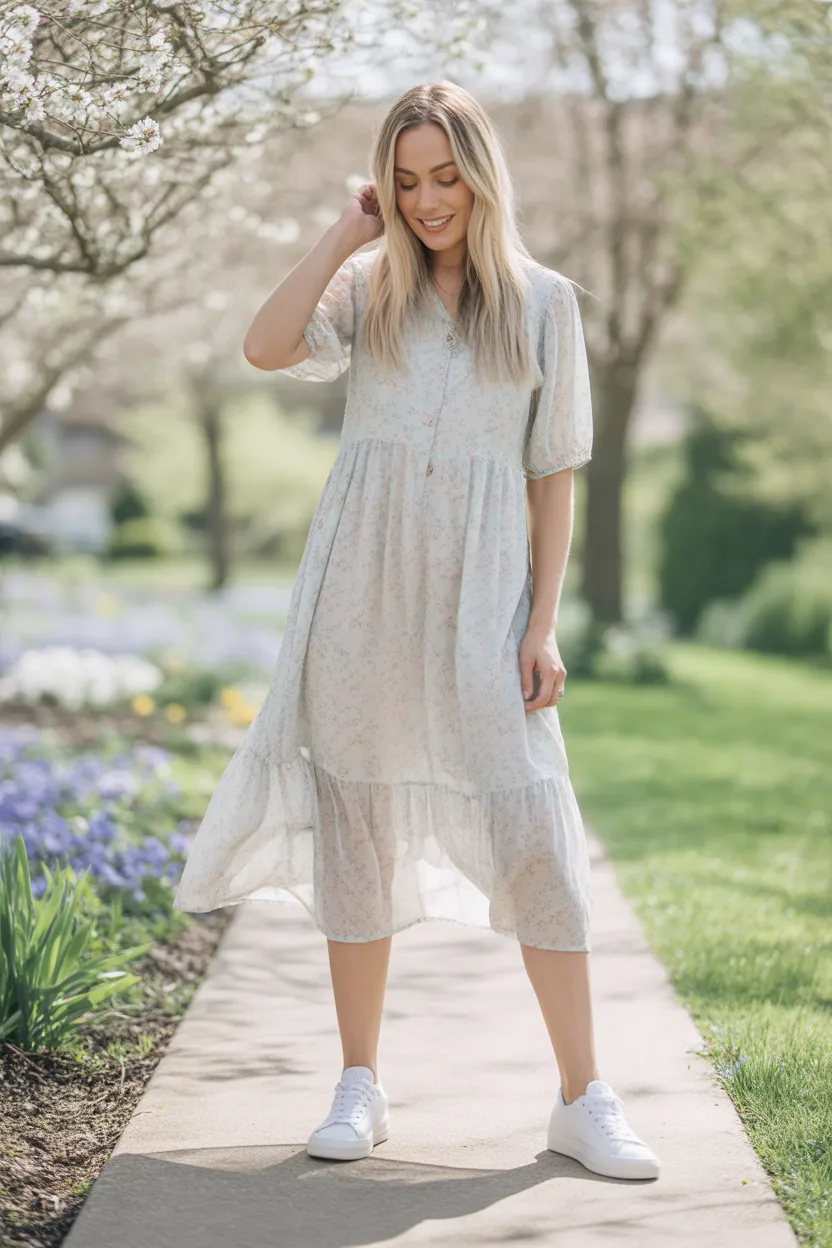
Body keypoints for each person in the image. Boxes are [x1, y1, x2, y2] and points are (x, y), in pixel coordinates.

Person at [173, 80, 660, 1182]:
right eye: (404, 180)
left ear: (481, 175)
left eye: (444, 176)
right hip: (358, 589)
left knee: (532, 819)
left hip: (481, 597)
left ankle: (583, 1096)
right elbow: (264, 345)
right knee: (355, 818)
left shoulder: (545, 305)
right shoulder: (368, 286)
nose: (426, 200)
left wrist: (541, 624)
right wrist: (347, 227)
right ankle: (359, 1080)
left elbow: (552, 475)